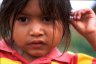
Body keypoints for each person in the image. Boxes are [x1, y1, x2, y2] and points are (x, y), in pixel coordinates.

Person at [0, 0, 96, 64]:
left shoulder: (73, 61)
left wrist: (92, 33)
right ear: (8, 20)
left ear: (65, 22)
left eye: (47, 19)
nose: (36, 31)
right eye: (23, 19)